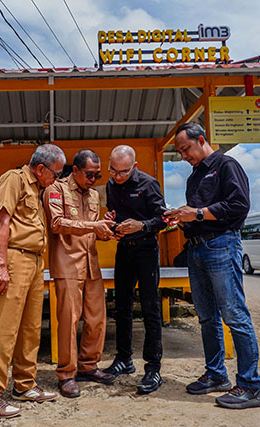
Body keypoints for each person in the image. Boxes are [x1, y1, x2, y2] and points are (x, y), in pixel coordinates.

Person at [163, 122, 260, 409]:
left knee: (234, 315)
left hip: (222, 244)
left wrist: (195, 213)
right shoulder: (193, 178)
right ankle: (216, 375)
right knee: (207, 316)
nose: (184, 156)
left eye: (186, 149)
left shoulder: (227, 165)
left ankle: (250, 386)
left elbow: (239, 205)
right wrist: (181, 218)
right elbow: (198, 216)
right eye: (180, 152)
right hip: (197, 249)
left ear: (201, 140)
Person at [0, 144, 65, 419]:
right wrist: (1, 265)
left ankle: (24, 385)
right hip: (12, 260)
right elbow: (1, 221)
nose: (57, 179)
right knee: (4, 329)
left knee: (30, 328)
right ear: (41, 168)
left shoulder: (37, 190)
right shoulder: (13, 180)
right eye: (56, 173)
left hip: (35, 262)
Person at [43, 149, 116, 398]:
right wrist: (92, 226)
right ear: (75, 170)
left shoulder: (95, 195)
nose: (93, 179)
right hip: (67, 265)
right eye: (89, 174)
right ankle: (66, 373)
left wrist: (106, 228)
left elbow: (93, 231)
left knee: (97, 318)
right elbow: (57, 224)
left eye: (97, 175)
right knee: (68, 321)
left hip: (91, 264)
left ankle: (88, 366)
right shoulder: (56, 189)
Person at [102, 145, 167, 394]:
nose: (117, 176)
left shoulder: (149, 184)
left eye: (123, 172)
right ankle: (124, 359)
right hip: (124, 250)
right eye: (113, 171)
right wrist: (112, 223)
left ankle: (153, 368)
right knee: (122, 306)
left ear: (135, 166)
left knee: (150, 308)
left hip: (147, 250)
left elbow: (163, 219)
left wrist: (141, 225)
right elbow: (115, 214)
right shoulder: (111, 185)